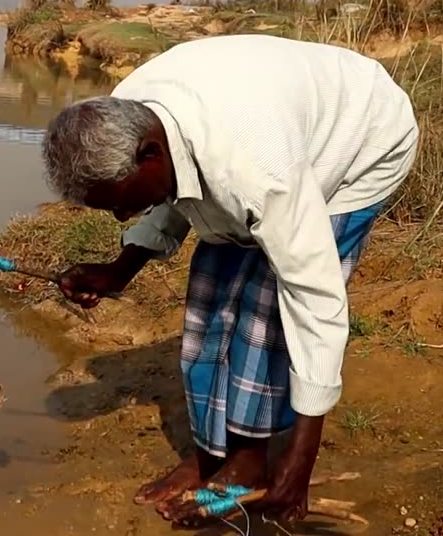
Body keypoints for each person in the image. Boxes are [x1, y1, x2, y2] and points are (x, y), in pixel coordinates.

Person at [40, 34, 419, 524]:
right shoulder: (129, 114)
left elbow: (315, 299)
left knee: (266, 310)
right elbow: (181, 191)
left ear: (150, 154)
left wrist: (299, 462)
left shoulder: (257, 166)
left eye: (121, 203)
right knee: (210, 292)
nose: (120, 217)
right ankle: (213, 455)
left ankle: (249, 463)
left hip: (360, 140)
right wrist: (119, 270)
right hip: (265, 129)